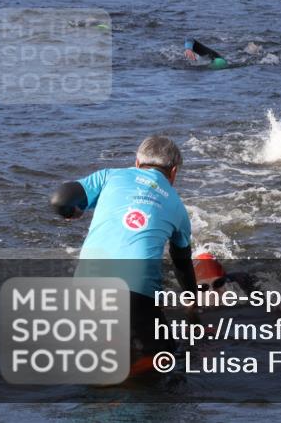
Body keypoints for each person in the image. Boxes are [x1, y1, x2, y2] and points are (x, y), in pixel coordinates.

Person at [49, 136, 200, 369]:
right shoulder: (178, 207)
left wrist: (71, 212)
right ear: (173, 173)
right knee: (170, 361)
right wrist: (191, 304)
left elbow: (59, 199)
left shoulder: (109, 176)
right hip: (135, 293)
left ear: (137, 163)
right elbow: (182, 264)